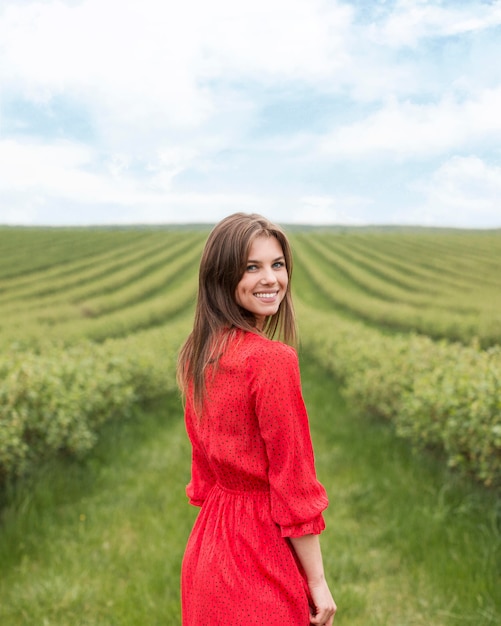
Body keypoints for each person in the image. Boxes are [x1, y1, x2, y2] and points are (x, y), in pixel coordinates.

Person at [177, 213, 336, 625]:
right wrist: (316, 582)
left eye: (277, 264)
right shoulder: (271, 362)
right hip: (259, 555)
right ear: (221, 276)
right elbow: (293, 482)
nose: (270, 279)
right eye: (252, 267)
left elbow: (204, 477)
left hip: (208, 554)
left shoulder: (198, 354)